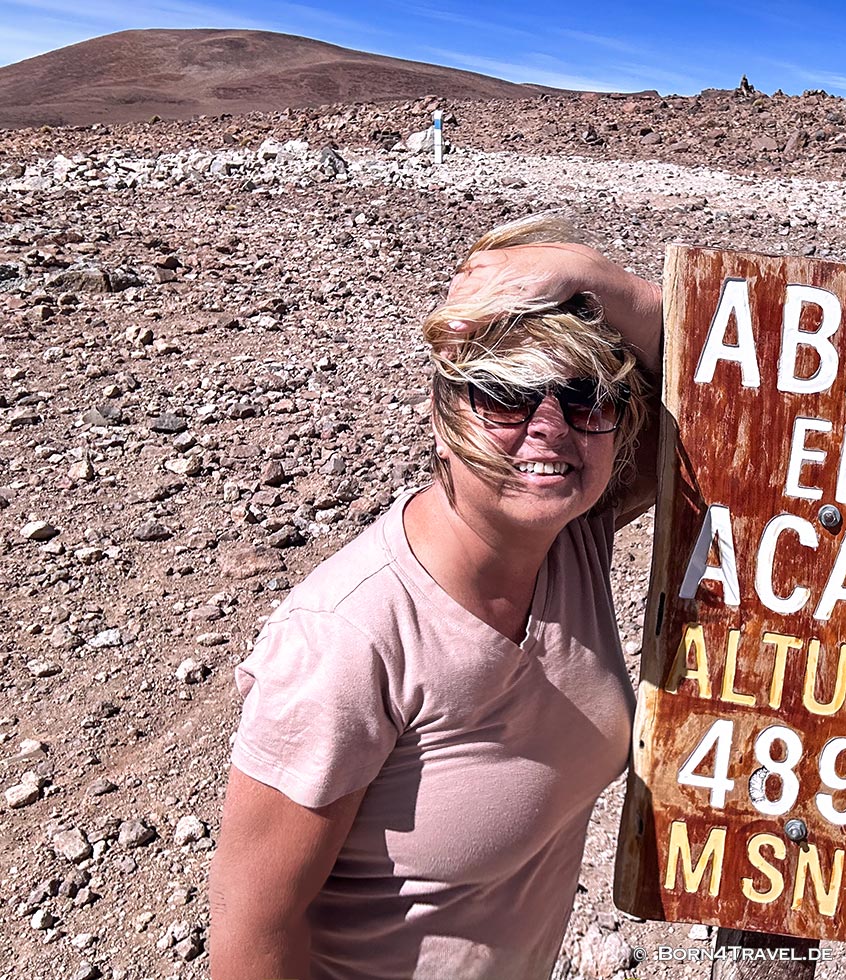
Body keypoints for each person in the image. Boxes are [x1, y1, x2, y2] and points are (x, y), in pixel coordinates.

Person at [208, 215, 662, 980]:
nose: (550, 428)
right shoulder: (350, 639)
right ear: (443, 415)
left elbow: (731, 373)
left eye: (585, 398)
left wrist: (588, 276)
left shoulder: (573, 537)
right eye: (505, 399)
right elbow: (251, 930)